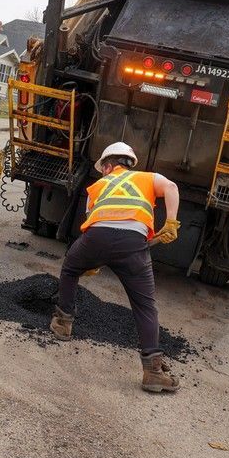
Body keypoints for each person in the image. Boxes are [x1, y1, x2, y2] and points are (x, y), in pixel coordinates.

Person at [50, 141, 182, 392]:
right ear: (129, 163)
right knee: (145, 305)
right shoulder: (147, 178)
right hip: (134, 244)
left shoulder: (97, 186)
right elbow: (172, 188)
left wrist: (92, 262)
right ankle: (153, 372)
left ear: (109, 166)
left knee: (70, 269)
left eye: (103, 168)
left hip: (96, 239)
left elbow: (97, 224)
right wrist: (171, 222)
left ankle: (63, 323)